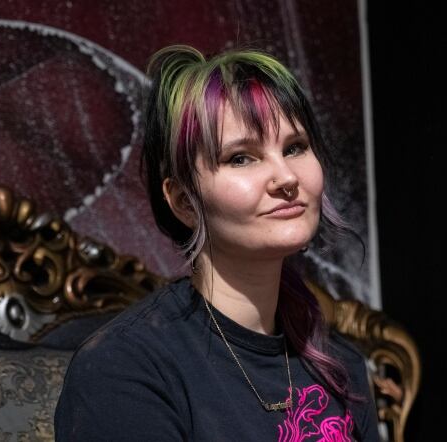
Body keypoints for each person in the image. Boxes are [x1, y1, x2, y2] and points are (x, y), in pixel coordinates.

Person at [54, 45, 380, 441]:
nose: (286, 177)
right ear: (184, 202)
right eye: (241, 158)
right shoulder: (124, 369)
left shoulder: (340, 365)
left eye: (294, 148)